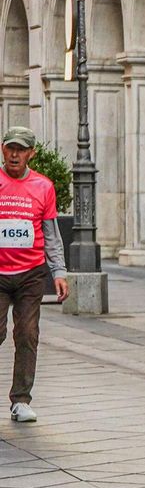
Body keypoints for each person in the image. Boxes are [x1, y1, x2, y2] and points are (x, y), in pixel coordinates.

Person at [0, 126, 68, 423]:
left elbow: (51, 234)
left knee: (27, 334)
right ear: (3, 150)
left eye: (21, 149)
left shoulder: (43, 187)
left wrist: (59, 271)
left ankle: (21, 400)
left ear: (31, 154)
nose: (15, 154)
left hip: (30, 274)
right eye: (10, 148)